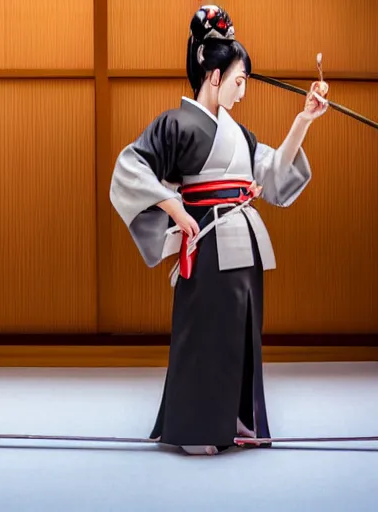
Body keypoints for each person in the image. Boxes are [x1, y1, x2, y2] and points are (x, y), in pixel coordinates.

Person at [109, 6, 328, 455]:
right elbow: (130, 167)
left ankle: (232, 417)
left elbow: (272, 171)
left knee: (241, 333)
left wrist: (303, 120)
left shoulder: (240, 135)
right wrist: (174, 206)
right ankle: (195, 427)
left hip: (244, 241)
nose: (243, 90)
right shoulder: (176, 123)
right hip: (208, 242)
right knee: (205, 332)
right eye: (239, 80)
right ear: (214, 76)